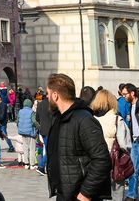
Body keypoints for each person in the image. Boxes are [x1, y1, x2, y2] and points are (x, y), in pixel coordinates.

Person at [44, 73, 111, 201]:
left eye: (48, 93)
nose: (47, 97)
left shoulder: (84, 120)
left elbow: (102, 160)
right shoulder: (58, 118)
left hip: (81, 194)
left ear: (55, 95)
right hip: (64, 192)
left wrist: (86, 193)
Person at [18, 98, 38, 170]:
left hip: (23, 132)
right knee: (32, 149)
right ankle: (32, 164)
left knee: (25, 148)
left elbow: (17, 121)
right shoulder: (31, 112)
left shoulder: (20, 111)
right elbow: (34, 121)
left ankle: (26, 164)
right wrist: (38, 127)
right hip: (31, 133)